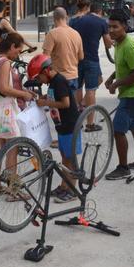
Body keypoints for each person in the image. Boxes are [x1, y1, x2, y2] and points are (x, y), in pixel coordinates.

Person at [28, 53, 81, 203]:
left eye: (39, 78)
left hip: (70, 125)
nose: (39, 82)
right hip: (62, 126)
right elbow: (55, 97)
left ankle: (72, 190)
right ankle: (64, 186)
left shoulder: (59, 81)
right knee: (65, 157)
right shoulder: (52, 83)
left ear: (46, 71)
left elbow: (65, 103)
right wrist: (45, 98)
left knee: (71, 159)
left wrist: (46, 103)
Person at [104, 9, 134, 180]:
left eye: (115, 27)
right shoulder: (119, 44)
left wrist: (117, 84)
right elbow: (122, 68)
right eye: (109, 27)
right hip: (129, 92)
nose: (111, 30)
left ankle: (123, 168)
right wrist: (111, 78)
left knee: (118, 130)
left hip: (133, 93)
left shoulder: (129, 45)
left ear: (124, 26)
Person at [0, 32, 35, 179]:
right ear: (12, 46)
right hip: (6, 111)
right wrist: (23, 95)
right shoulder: (5, 62)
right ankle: (12, 186)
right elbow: (4, 88)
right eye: (18, 50)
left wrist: (21, 90)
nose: (18, 54)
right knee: (12, 149)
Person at [69, 0, 113, 128]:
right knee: (91, 90)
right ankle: (90, 123)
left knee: (78, 87)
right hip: (92, 59)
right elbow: (107, 43)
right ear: (100, 11)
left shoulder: (76, 21)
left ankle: (78, 118)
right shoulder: (101, 22)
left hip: (76, 59)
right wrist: (112, 42)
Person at [42, 7, 84, 93]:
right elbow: (81, 57)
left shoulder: (52, 33)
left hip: (58, 77)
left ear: (54, 18)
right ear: (66, 17)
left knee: (56, 104)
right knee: (70, 104)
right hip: (73, 76)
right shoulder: (76, 33)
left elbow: (45, 58)